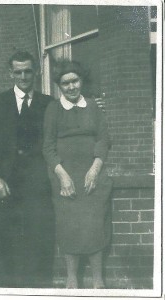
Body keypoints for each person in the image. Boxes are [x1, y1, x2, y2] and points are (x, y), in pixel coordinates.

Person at [0, 51, 55, 288]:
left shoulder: (48, 103)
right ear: (10, 73)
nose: (23, 76)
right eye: (18, 72)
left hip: (37, 190)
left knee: (39, 247)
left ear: (36, 72)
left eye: (28, 71)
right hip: (3, 188)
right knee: (3, 246)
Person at [43, 60, 113, 289]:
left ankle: (97, 280)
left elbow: (103, 140)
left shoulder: (92, 106)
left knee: (94, 224)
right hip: (65, 177)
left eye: (75, 81)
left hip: (91, 175)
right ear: (59, 86)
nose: (71, 87)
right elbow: (48, 147)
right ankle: (71, 279)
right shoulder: (53, 109)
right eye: (66, 83)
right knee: (68, 225)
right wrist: (62, 175)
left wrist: (95, 169)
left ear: (81, 81)